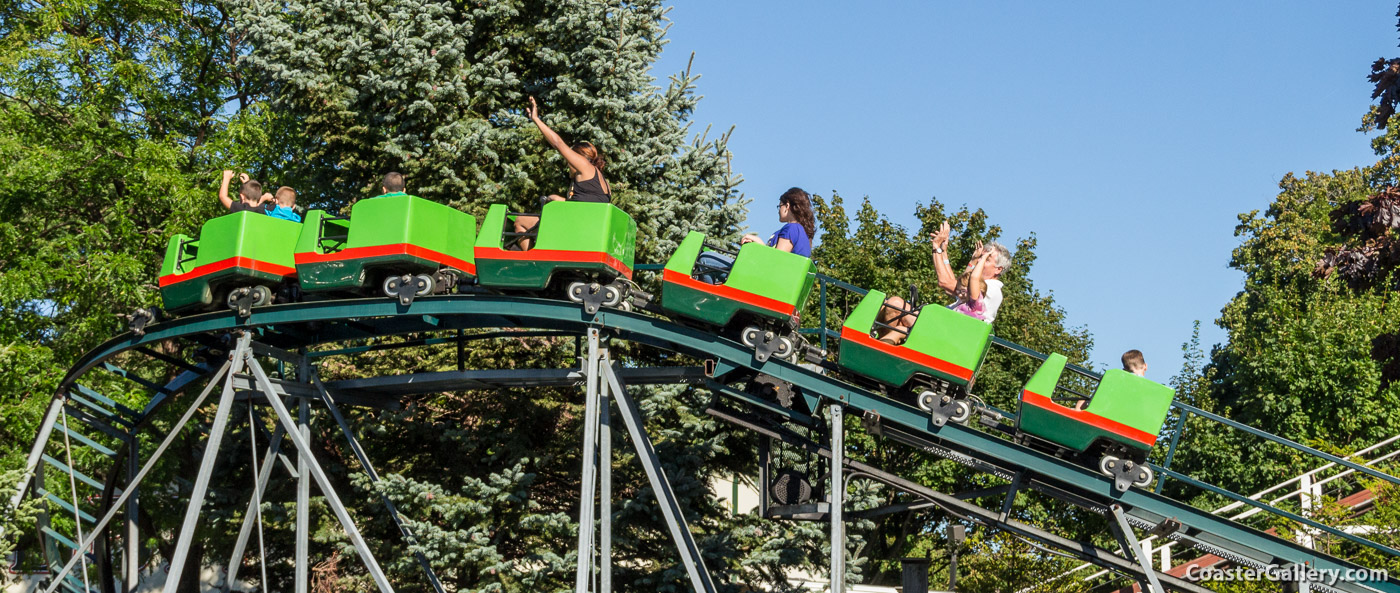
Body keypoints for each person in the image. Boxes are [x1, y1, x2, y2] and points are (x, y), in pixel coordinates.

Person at [876, 221, 1012, 344]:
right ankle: (881, 346)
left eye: (986, 260)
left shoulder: (991, 288)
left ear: (998, 269)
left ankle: (880, 350)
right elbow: (958, 283)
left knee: (895, 304)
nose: (981, 262)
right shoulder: (978, 287)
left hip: (947, 335)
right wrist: (944, 252)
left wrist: (936, 248)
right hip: (944, 328)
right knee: (888, 309)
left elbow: (946, 283)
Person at [512, 96, 611, 250]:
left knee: (520, 221)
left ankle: (530, 262)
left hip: (573, 231)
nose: (568, 166)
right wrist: (558, 199)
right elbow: (585, 206)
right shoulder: (601, 182)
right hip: (587, 233)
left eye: (569, 161)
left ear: (576, 159)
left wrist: (536, 119)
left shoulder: (584, 166)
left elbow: (558, 143)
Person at [695, 187, 816, 284]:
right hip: (776, 284)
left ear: (787, 206)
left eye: (780, 206)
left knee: (706, 259)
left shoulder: (792, 229)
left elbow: (777, 263)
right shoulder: (802, 234)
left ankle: (709, 300)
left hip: (763, 282)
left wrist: (760, 244)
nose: (778, 210)